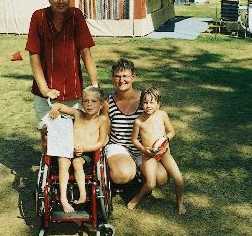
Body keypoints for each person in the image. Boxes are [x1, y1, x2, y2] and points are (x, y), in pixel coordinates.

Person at [25, 0, 99, 151]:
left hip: (73, 89)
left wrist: (94, 84)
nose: (61, 1)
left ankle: (71, 170)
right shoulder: (38, 17)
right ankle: (51, 171)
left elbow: (85, 52)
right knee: (47, 137)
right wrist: (44, 89)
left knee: (74, 135)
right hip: (45, 90)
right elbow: (33, 55)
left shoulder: (76, 15)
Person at [102, 59, 168, 190]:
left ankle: (137, 173)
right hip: (118, 146)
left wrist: (159, 146)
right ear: (112, 78)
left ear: (133, 76)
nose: (121, 80)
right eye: (117, 76)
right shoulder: (107, 102)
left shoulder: (145, 100)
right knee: (122, 175)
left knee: (161, 178)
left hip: (143, 148)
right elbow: (105, 128)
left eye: (125, 76)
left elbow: (158, 125)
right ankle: (128, 173)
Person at [48, 86, 109, 213]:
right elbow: (62, 107)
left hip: (87, 153)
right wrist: (56, 106)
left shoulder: (102, 120)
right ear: (82, 104)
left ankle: (83, 194)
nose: (89, 104)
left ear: (101, 104)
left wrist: (85, 148)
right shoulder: (78, 114)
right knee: (62, 161)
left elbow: (101, 142)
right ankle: (64, 199)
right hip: (69, 150)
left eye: (93, 101)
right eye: (86, 101)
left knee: (76, 162)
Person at [128, 87, 186, 215]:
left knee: (179, 180)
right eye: (145, 102)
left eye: (152, 102)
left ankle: (180, 203)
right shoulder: (139, 121)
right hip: (148, 155)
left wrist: (165, 140)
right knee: (151, 183)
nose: (148, 106)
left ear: (158, 104)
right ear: (141, 103)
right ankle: (138, 197)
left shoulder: (162, 115)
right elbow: (134, 140)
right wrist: (144, 149)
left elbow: (171, 131)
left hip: (165, 153)